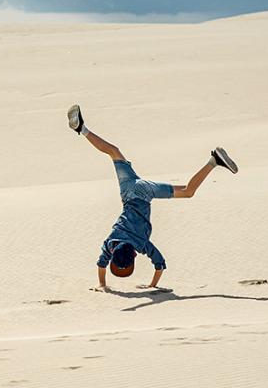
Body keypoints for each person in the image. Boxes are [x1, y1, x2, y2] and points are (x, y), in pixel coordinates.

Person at [66, 104, 238, 291]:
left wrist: (152, 286)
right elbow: (101, 265)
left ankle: (214, 161)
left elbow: (160, 264)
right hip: (127, 190)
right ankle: (81, 128)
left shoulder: (141, 245)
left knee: (188, 191)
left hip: (143, 193)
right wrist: (101, 283)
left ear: (133, 256)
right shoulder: (110, 242)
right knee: (114, 152)